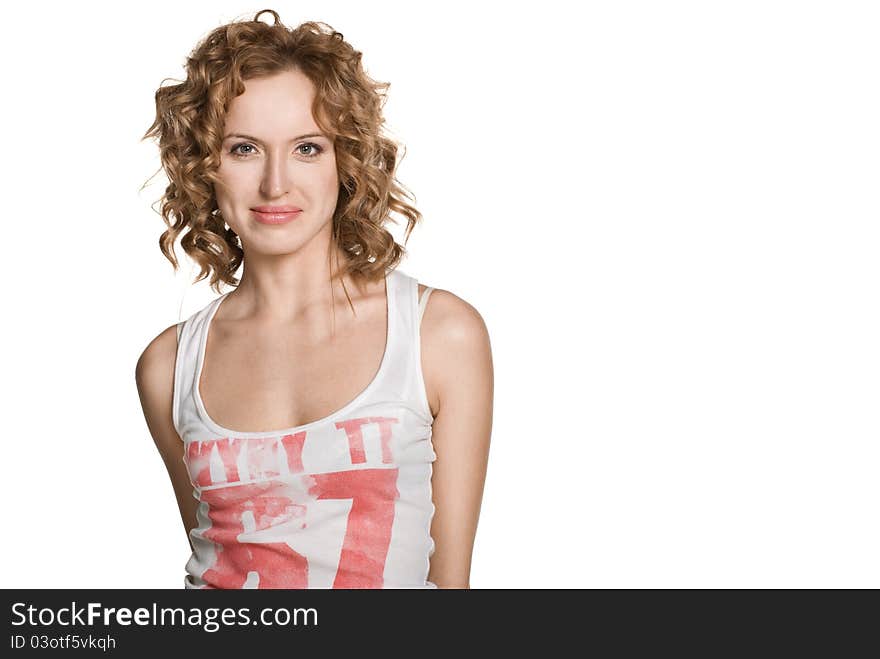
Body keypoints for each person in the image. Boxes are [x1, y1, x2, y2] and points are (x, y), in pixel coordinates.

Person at [134, 9, 493, 589]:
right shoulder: (169, 367)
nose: (276, 184)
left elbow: (451, 589)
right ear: (205, 167)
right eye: (244, 149)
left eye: (307, 148)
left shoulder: (439, 335)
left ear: (344, 162)